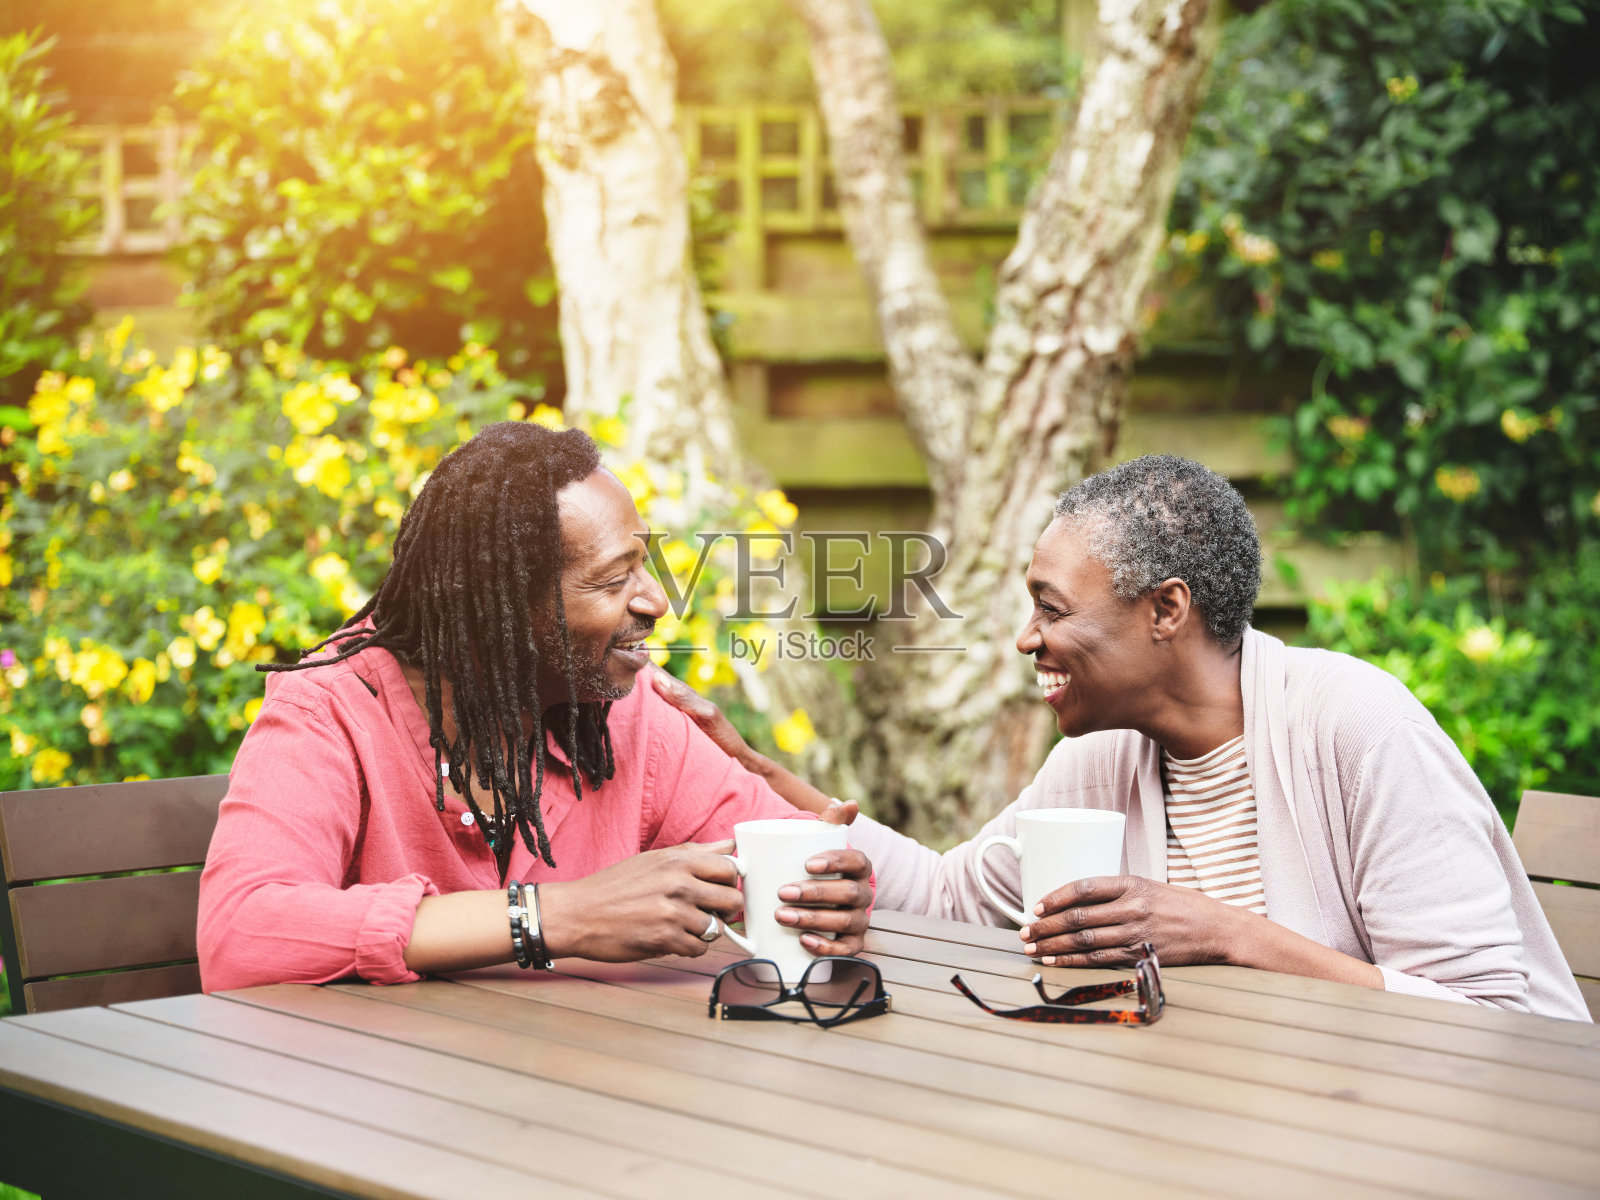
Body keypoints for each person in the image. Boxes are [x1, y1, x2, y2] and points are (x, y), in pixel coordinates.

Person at [655, 455, 1590, 1020]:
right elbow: (950, 897)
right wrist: (763, 778)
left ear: (1166, 610)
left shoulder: (1357, 724)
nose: (1027, 639)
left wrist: (1223, 935)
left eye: (1050, 609)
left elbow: (1483, 1020)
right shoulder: (1106, 756)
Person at [198, 421, 872, 991]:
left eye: (645, 565)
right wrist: (552, 917)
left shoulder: (629, 717)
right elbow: (241, 932)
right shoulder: (331, 712)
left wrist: (824, 893)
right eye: (614, 580)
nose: (656, 602)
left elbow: (774, 854)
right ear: (498, 616)